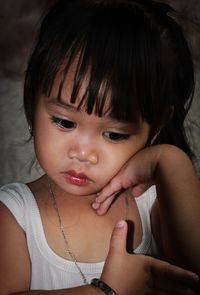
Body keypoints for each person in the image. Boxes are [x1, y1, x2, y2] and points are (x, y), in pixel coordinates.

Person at [0, 0, 200, 294]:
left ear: (155, 127)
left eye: (114, 135)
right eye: (65, 123)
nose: (83, 153)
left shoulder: (155, 201)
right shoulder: (14, 216)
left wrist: (170, 160)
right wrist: (107, 291)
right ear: (32, 103)